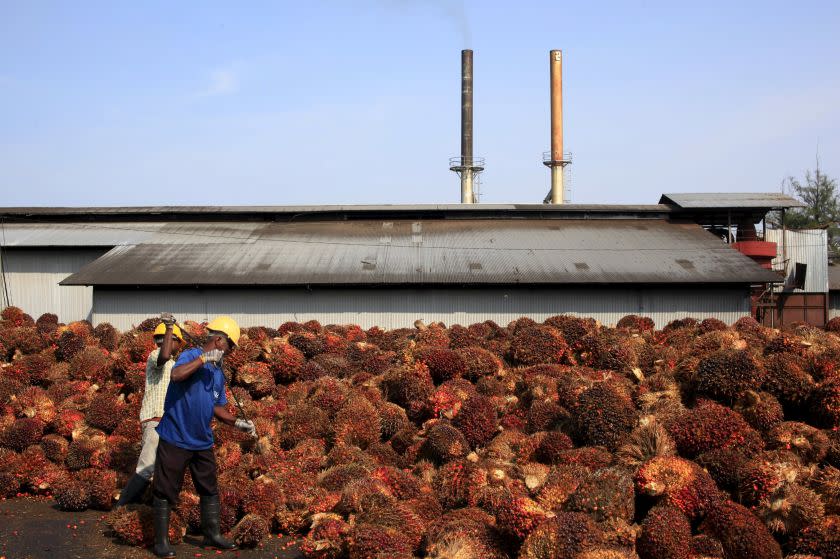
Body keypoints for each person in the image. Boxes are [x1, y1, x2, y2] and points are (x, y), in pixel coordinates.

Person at [151, 315, 256, 558]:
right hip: (176, 436)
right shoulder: (191, 355)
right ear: (219, 340)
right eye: (229, 347)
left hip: (202, 441)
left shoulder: (218, 373)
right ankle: (161, 542)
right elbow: (176, 375)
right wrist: (203, 359)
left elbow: (217, 407)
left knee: (209, 489)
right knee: (166, 490)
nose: (229, 353)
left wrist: (237, 422)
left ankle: (212, 534)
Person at [116, 313, 185, 507]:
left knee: (162, 469)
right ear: (171, 340)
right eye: (177, 342)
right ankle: (121, 506)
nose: (179, 347)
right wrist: (170, 327)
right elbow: (163, 355)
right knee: (146, 468)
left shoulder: (173, 364)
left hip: (167, 423)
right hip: (155, 421)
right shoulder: (156, 355)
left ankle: (154, 507)